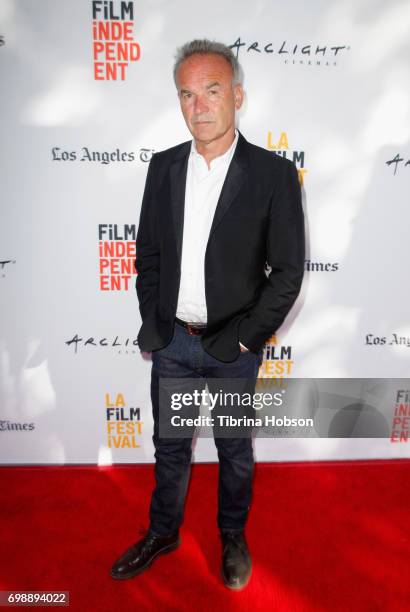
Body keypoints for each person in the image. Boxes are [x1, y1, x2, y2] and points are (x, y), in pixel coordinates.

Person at [111, 39, 305, 590]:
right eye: (187, 94)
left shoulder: (272, 175)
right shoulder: (164, 167)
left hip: (232, 348)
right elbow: (147, 253)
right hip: (173, 343)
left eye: (212, 90)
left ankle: (232, 536)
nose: (199, 105)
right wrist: (156, 320)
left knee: (234, 451)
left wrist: (245, 339)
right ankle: (163, 532)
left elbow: (287, 272)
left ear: (237, 95)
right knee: (169, 449)